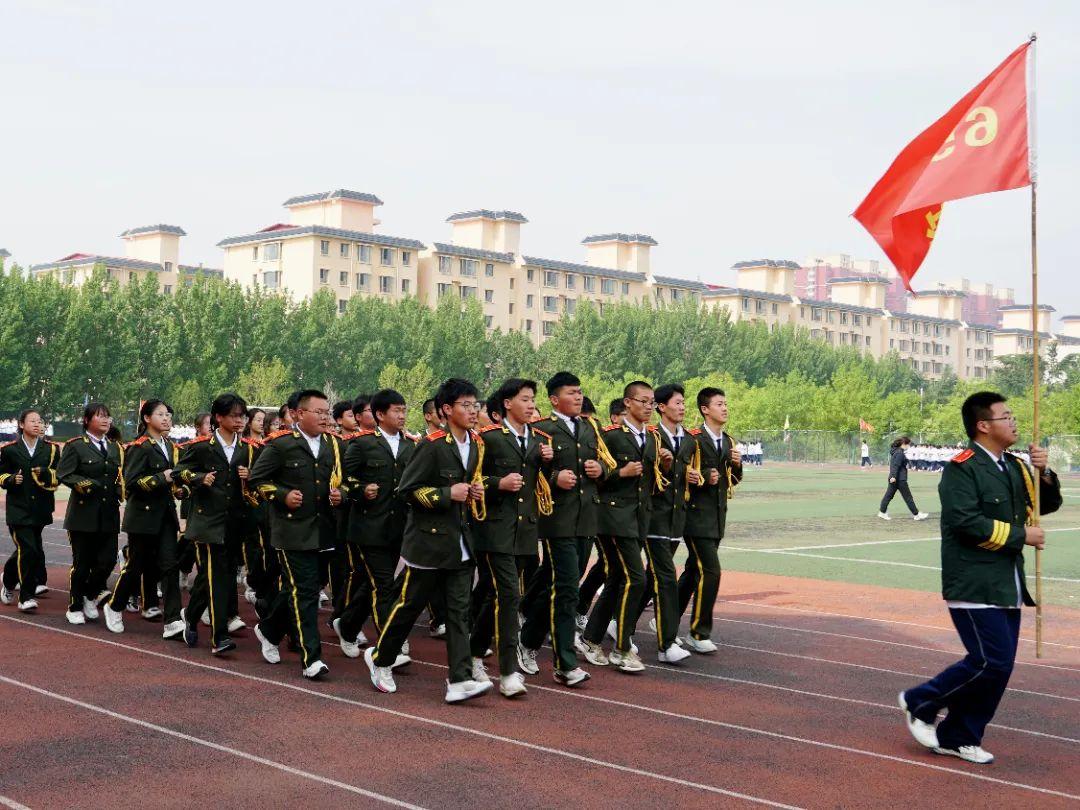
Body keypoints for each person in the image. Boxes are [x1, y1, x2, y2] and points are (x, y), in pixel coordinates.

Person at [899, 392, 1061, 765]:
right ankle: (921, 699)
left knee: (998, 668)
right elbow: (965, 521)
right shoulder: (963, 467)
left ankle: (960, 735)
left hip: (1008, 581)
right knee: (992, 662)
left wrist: (1045, 472)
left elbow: (1046, 504)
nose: (1014, 421)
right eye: (1006, 416)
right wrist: (1022, 536)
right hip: (973, 580)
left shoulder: (1016, 466)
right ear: (983, 425)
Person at [364, 378, 492, 703]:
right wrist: (447, 494)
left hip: (461, 543)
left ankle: (459, 680)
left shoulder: (477, 444)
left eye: (475, 404)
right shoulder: (432, 445)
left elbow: (469, 484)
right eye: (465, 405)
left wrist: (473, 491)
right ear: (446, 410)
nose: (473, 410)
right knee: (409, 605)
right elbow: (406, 491)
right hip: (428, 544)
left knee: (459, 613)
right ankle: (380, 659)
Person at [518, 371, 612, 687]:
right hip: (557, 521)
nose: (578, 396)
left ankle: (528, 640)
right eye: (572, 392)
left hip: (586, 520)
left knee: (560, 587)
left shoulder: (590, 428)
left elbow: (607, 464)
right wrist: (554, 476)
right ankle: (564, 663)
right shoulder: (541, 430)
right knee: (568, 588)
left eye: (580, 391)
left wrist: (601, 469)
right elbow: (527, 472)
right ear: (555, 399)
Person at [250, 389, 344, 680]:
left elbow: (340, 481)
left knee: (302, 587)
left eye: (326, 412)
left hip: (323, 530)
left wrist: (340, 494)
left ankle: (268, 629)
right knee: (304, 593)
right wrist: (281, 495)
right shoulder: (281, 445)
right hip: (292, 531)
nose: (325, 417)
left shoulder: (332, 445)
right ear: (299, 414)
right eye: (319, 412)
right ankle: (311, 658)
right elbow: (257, 480)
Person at [470, 378, 554, 697]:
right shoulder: (488, 438)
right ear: (507, 404)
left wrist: (549, 463)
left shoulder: (539, 440)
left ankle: (473, 653)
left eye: (533, 399)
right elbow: (473, 477)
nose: (531, 404)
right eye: (525, 399)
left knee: (496, 594)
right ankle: (508, 672)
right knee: (508, 596)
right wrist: (497, 483)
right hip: (494, 530)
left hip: (524, 531)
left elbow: (542, 482)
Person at [578, 381, 664, 673]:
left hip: (638, 517)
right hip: (612, 517)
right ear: (627, 403)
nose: (648, 407)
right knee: (636, 578)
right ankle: (623, 647)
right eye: (643, 401)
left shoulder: (652, 438)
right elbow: (594, 473)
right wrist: (620, 472)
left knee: (617, 576)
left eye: (652, 402)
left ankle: (590, 638)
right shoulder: (611, 436)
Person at [335, 388, 418, 657]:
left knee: (377, 584)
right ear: (380, 414)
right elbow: (344, 479)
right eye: (397, 410)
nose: (402, 415)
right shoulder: (362, 444)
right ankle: (389, 647)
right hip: (368, 528)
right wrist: (361, 490)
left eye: (404, 410)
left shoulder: (409, 445)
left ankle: (347, 625)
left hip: (398, 526)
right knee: (383, 586)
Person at [177, 393, 254, 655]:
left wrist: (250, 476)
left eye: (242, 415)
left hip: (235, 524)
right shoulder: (201, 447)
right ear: (218, 417)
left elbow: (258, 482)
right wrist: (198, 478)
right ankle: (219, 637)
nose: (240, 420)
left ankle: (191, 615)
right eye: (234, 415)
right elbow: (179, 473)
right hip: (208, 523)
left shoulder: (248, 449)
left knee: (211, 579)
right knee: (220, 580)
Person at [103, 400, 186, 638]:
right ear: (147, 418)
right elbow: (131, 483)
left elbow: (174, 480)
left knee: (170, 566)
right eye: (160, 414)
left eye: (168, 414)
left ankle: (172, 620)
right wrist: (162, 478)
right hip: (143, 516)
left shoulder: (170, 446)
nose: (166, 418)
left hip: (166, 517)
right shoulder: (139, 447)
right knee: (136, 565)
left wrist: (178, 488)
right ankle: (114, 606)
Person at [677, 387, 743, 653]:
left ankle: (665, 619)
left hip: (716, 517)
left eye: (726, 403)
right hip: (695, 517)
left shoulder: (727, 441)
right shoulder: (692, 439)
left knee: (694, 571)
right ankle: (699, 632)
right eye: (719, 404)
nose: (724, 408)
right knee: (711, 571)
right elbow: (679, 471)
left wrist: (737, 465)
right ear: (705, 409)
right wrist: (703, 475)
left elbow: (733, 481)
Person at [635, 383, 694, 664]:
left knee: (651, 578)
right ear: (662, 407)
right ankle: (666, 644)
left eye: (684, 403)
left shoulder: (690, 440)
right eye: (677, 402)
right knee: (667, 579)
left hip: (676, 520)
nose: (682, 407)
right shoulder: (651, 437)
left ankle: (614, 622)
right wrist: (667, 468)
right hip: (654, 518)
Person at [56, 403, 124, 624]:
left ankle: (89, 594)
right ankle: (75, 606)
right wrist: (83, 483)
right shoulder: (76, 446)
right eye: (99, 416)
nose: (106, 420)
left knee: (107, 560)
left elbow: (116, 477)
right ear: (86, 420)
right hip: (83, 513)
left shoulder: (115, 448)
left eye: (107, 416)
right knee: (82, 563)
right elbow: (64, 473)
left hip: (108, 513)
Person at [0, 409, 61, 612]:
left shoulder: (51, 450)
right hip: (18, 509)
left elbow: (59, 474)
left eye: (39, 421)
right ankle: (26, 597)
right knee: (30, 550)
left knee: (26, 550)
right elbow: (1, 475)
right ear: (21, 424)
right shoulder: (10, 450)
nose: (37, 424)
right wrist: (10, 480)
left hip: (41, 509)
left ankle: (8, 582)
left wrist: (47, 473)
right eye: (32, 421)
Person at [878, 437, 929, 521]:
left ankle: (882, 512)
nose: (909, 446)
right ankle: (917, 515)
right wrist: (893, 476)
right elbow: (896, 465)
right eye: (908, 444)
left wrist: (892, 476)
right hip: (899, 479)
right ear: (903, 444)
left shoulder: (897, 452)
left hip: (895, 479)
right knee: (908, 498)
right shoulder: (899, 453)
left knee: (888, 496)